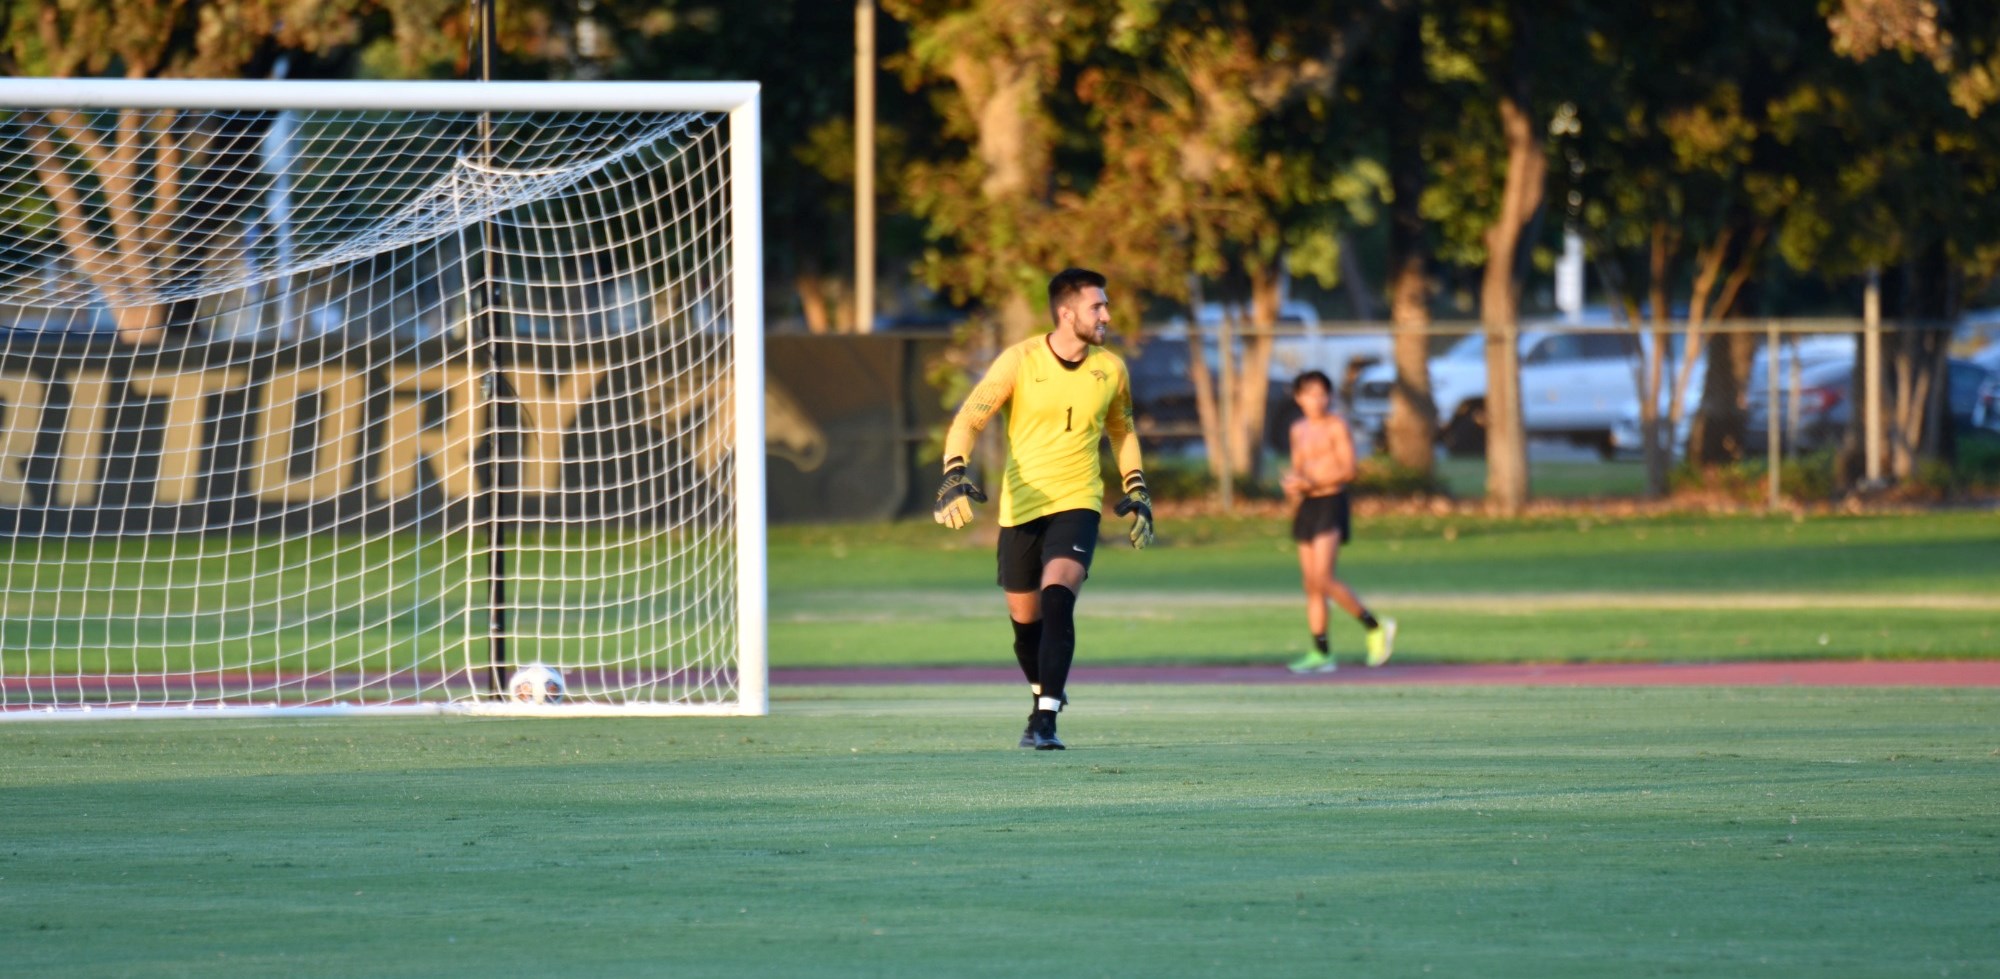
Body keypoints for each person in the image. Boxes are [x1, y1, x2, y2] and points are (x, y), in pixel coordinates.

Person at [933, 268, 1154, 750]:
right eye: (1098, 306)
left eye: (1106, 305)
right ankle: (1044, 694)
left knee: (1058, 596)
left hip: (1078, 501)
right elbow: (970, 418)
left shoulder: (1111, 368)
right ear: (1066, 312)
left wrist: (1136, 487)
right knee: (1025, 626)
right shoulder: (1020, 360)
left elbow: (1123, 431)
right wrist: (954, 472)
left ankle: (1046, 720)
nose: (1107, 315)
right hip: (1020, 506)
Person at [1281, 370, 1394, 673]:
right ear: (1298, 397)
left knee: (1324, 578)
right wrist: (1293, 487)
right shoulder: (1298, 429)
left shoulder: (1336, 426)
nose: (1316, 400)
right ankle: (1321, 653)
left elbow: (1349, 469)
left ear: (1329, 397)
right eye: (1309, 394)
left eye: (1322, 394)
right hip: (1308, 506)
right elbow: (1299, 469)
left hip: (1331, 501)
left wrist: (1312, 481)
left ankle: (1375, 626)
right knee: (1311, 585)